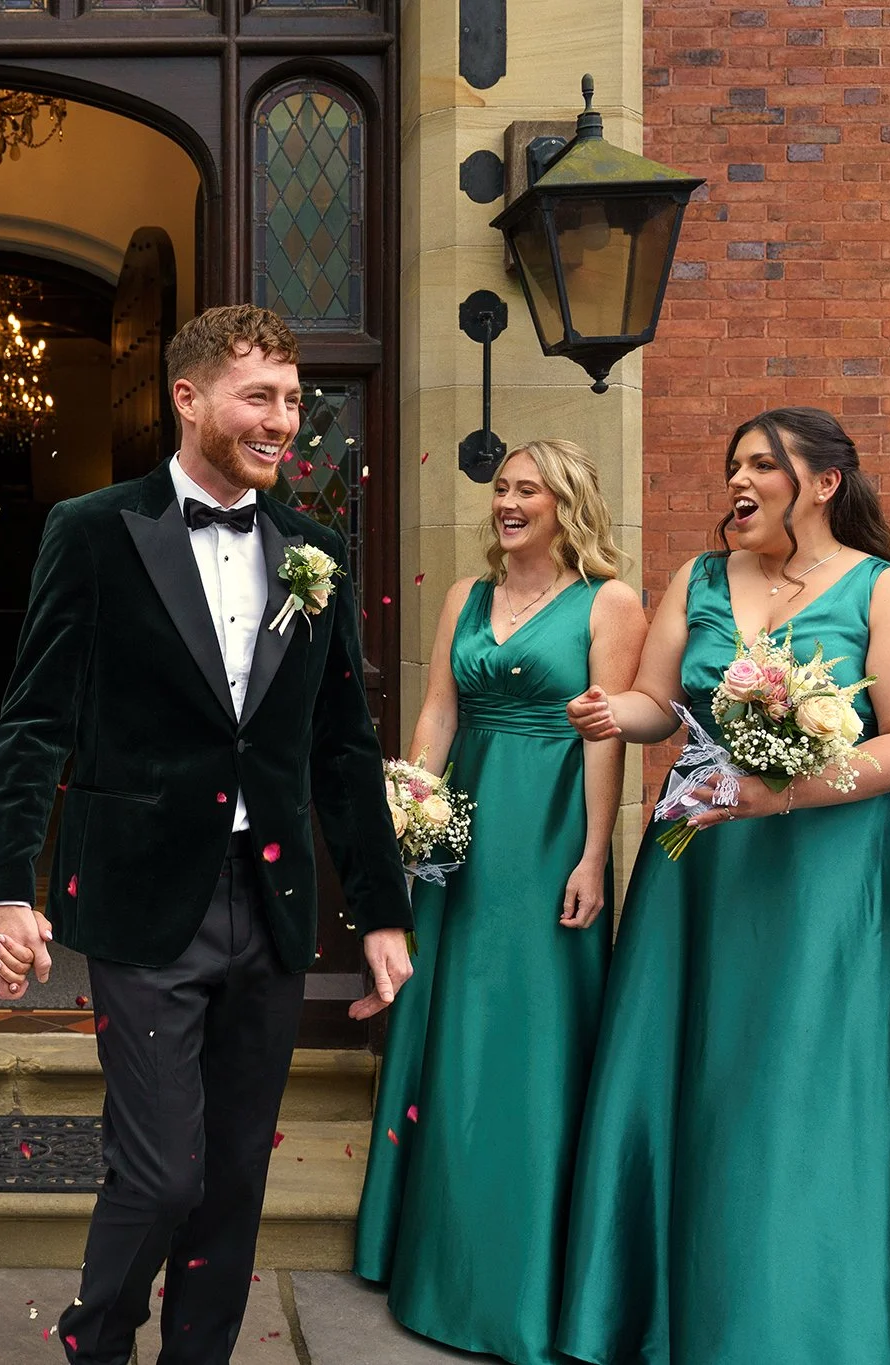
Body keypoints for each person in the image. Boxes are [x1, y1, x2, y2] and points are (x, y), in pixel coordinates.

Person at [0, 304, 412, 1365]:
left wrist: (381, 911)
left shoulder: (313, 549)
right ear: (188, 397)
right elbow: (34, 722)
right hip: (143, 896)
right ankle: (98, 1341)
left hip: (272, 899)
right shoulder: (92, 530)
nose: (284, 420)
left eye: (293, 399)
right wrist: (0, 888)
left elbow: (342, 745)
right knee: (164, 1171)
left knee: (235, 1172)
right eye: (259, 396)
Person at [560, 407, 890, 1365]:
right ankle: (676, 1316)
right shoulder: (700, 578)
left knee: (804, 1078)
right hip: (699, 865)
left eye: (762, 464)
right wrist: (610, 711)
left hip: (831, 875)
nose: (738, 481)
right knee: (703, 1076)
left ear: (825, 482)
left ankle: (814, 1324)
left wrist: (785, 789)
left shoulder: (885, 590)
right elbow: (659, 701)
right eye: (733, 466)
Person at [352, 440, 644, 1363]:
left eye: (528, 490)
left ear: (568, 505)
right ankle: (435, 1256)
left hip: (550, 830)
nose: (508, 502)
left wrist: (593, 855)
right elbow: (439, 711)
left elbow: (607, 737)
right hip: (463, 828)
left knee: (532, 1032)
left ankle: (518, 1280)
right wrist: (411, 810)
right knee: (453, 1023)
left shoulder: (610, 603)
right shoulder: (465, 597)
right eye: (503, 488)